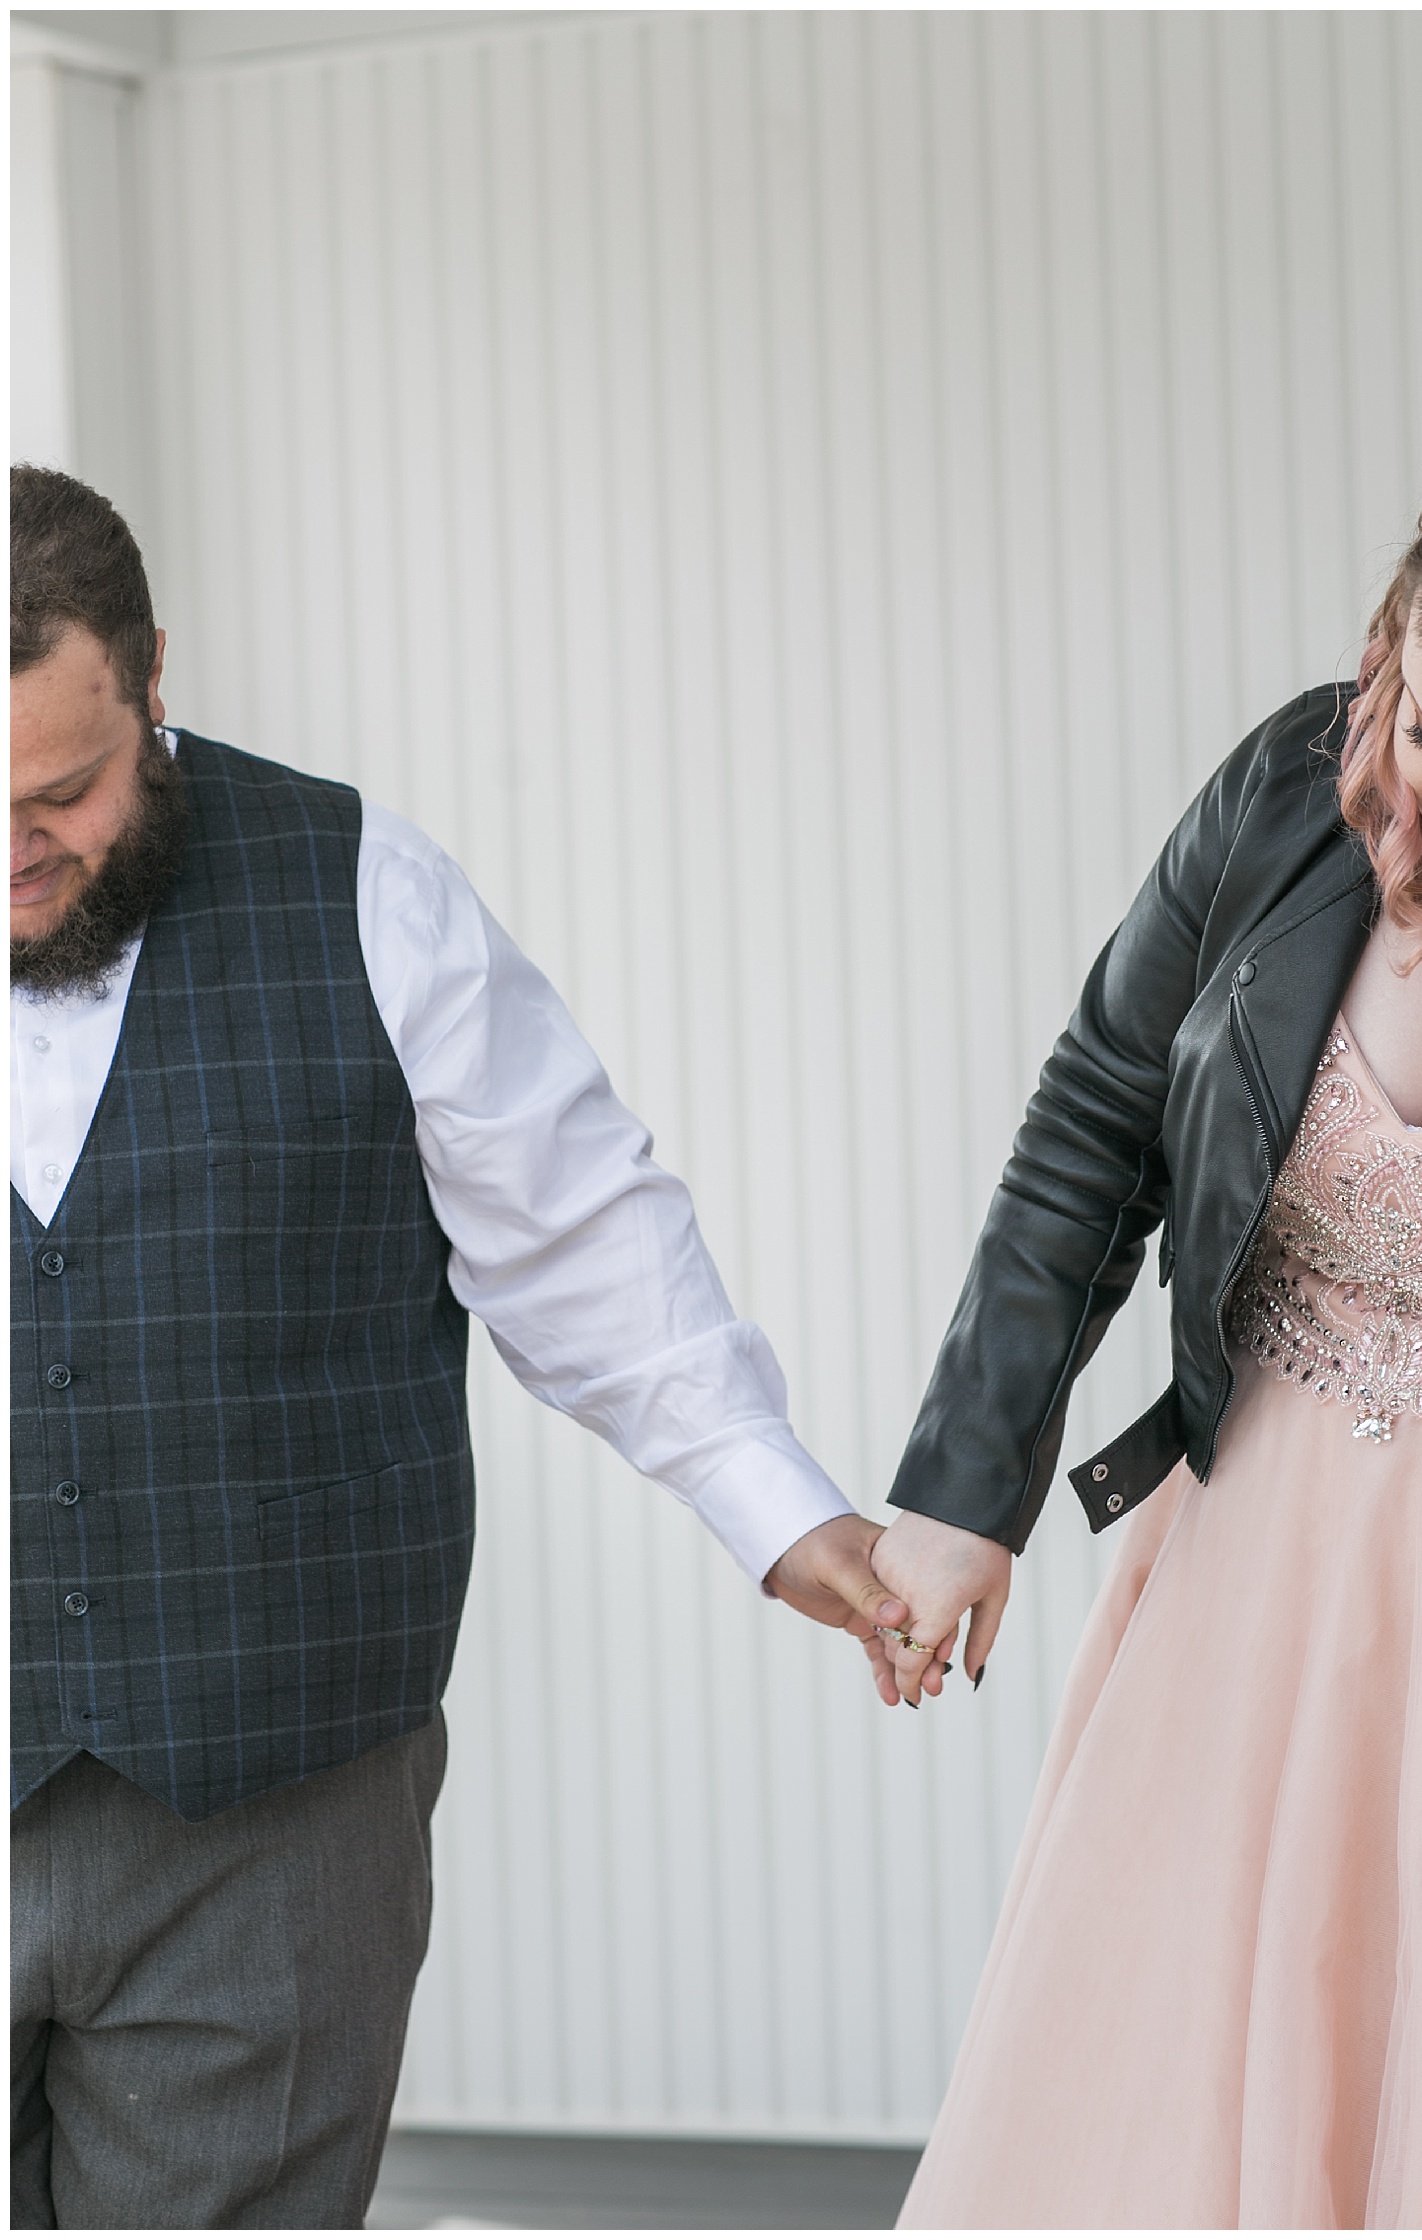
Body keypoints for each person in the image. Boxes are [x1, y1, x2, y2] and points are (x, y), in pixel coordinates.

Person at [9, 466, 911, 2231]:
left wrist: (775, 1504)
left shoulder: (366, 889)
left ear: (157, 681)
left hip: (270, 1811)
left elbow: (581, 1235)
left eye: (63, 791)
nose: (11, 846)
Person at [867, 460, 1422, 2228]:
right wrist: (963, 1490)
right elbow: (1095, 1117)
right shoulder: (1294, 794)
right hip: (1253, 1561)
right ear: (1389, 661)